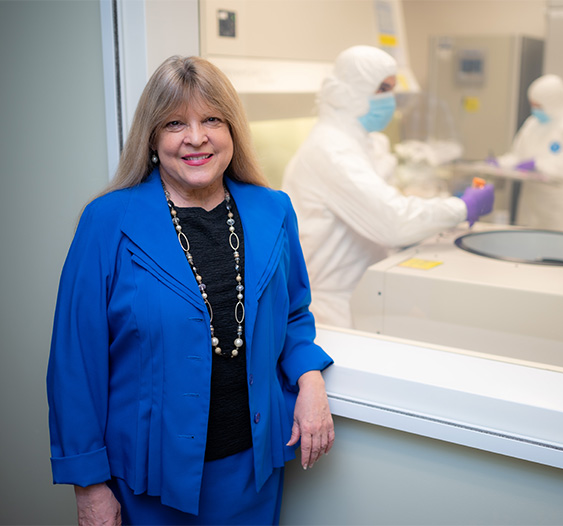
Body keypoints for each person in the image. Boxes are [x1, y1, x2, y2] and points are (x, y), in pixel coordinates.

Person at [46, 56, 335, 525]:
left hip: (252, 474)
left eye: (212, 120)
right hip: (149, 483)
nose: (196, 137)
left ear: (232, 130)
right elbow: (75, 363)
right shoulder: (108, 222)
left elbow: (294, 316)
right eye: (175, 122)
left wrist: (310, 378)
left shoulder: (273, 210)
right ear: (152, 138)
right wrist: (90, 485)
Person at [282, 45, 495, 328]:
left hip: (363, 291)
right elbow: (393, 222)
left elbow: (384, 204)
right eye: (382, 88)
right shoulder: (331, 149)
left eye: (392, 88)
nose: (390, 99)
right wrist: (462, 207)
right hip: (332, 310)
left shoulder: (360, 141)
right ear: (351, 90)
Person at [492, 74, 563, 233]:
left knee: (562, 249)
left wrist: (537, 164)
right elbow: (518, 156)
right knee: (528, 248)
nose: (536, 110)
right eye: (533, 105)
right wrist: (500, 163)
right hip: (533, 200)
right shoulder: (533, 124)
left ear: (553, 102)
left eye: (539, 106)